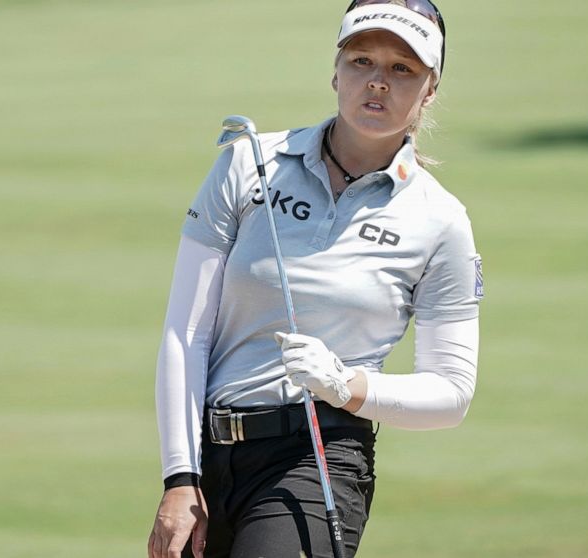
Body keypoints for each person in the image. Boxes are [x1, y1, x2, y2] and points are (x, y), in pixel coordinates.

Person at [148, 1, 481, 556]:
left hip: (320, 455)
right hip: (209, 453)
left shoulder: (440, 221)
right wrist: (180, 477)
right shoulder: (248, 163)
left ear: (429, 90)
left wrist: (345, 385)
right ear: (335, 71)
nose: (378, 82)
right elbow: (186, 332)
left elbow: (451, 393)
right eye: (361, 61)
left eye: (403, 69)